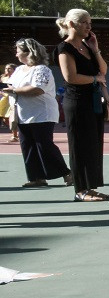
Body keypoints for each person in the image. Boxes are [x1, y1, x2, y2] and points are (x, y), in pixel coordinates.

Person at [55, 9, 109, 203]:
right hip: (77, 102)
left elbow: (103, 69)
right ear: (71, 24)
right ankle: (80, 190)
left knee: (93, 145)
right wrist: (95, 78)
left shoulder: (88, 47)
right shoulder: (65, 49)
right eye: (84, 22)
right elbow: (70, 77)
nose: (89, 26)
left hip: (93, 101)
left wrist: (95, 49)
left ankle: (91, 187)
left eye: (90, 22)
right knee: (79, 145)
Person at [8, 39, 71, 188]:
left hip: (42, 113)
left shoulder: (42, 70)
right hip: (23, 113)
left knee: (44, 145)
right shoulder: (18, 70)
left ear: (28, 52)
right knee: (27, 145)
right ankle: (36, 177)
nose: (16, 54)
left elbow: (37, 89)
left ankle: (67, 173)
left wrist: (14, 90)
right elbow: (10, 84)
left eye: (18, 51)